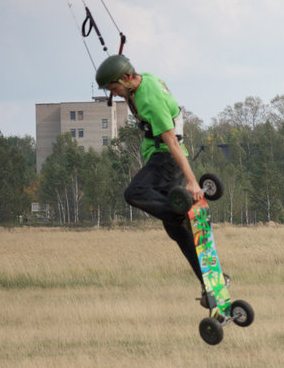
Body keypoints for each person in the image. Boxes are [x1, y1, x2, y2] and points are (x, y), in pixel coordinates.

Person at [96, 54, 226, 305]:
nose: (117, 94)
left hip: (166, 158)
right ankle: (209, 281)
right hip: (163, 159)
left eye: (115, 89)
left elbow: (172, 143)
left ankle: (182, 209)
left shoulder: (150, 100)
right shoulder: (142, 81)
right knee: (174, 228)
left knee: (134, 193)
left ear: (126, 78)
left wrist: (191, 183)